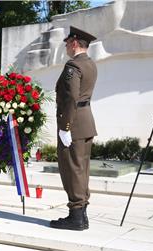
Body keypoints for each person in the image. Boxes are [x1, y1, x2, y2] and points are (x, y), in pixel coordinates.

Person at [50, 26, 98, 231]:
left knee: (72, 169)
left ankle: (76, 216)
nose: (67, 47)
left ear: (75, 43)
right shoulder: (90, 64)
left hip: (74, 124)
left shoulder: (73, 66)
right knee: (82, 169)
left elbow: (71, 98)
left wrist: (65, 127)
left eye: (68, 43)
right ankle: (82, 215)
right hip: (86, 122)